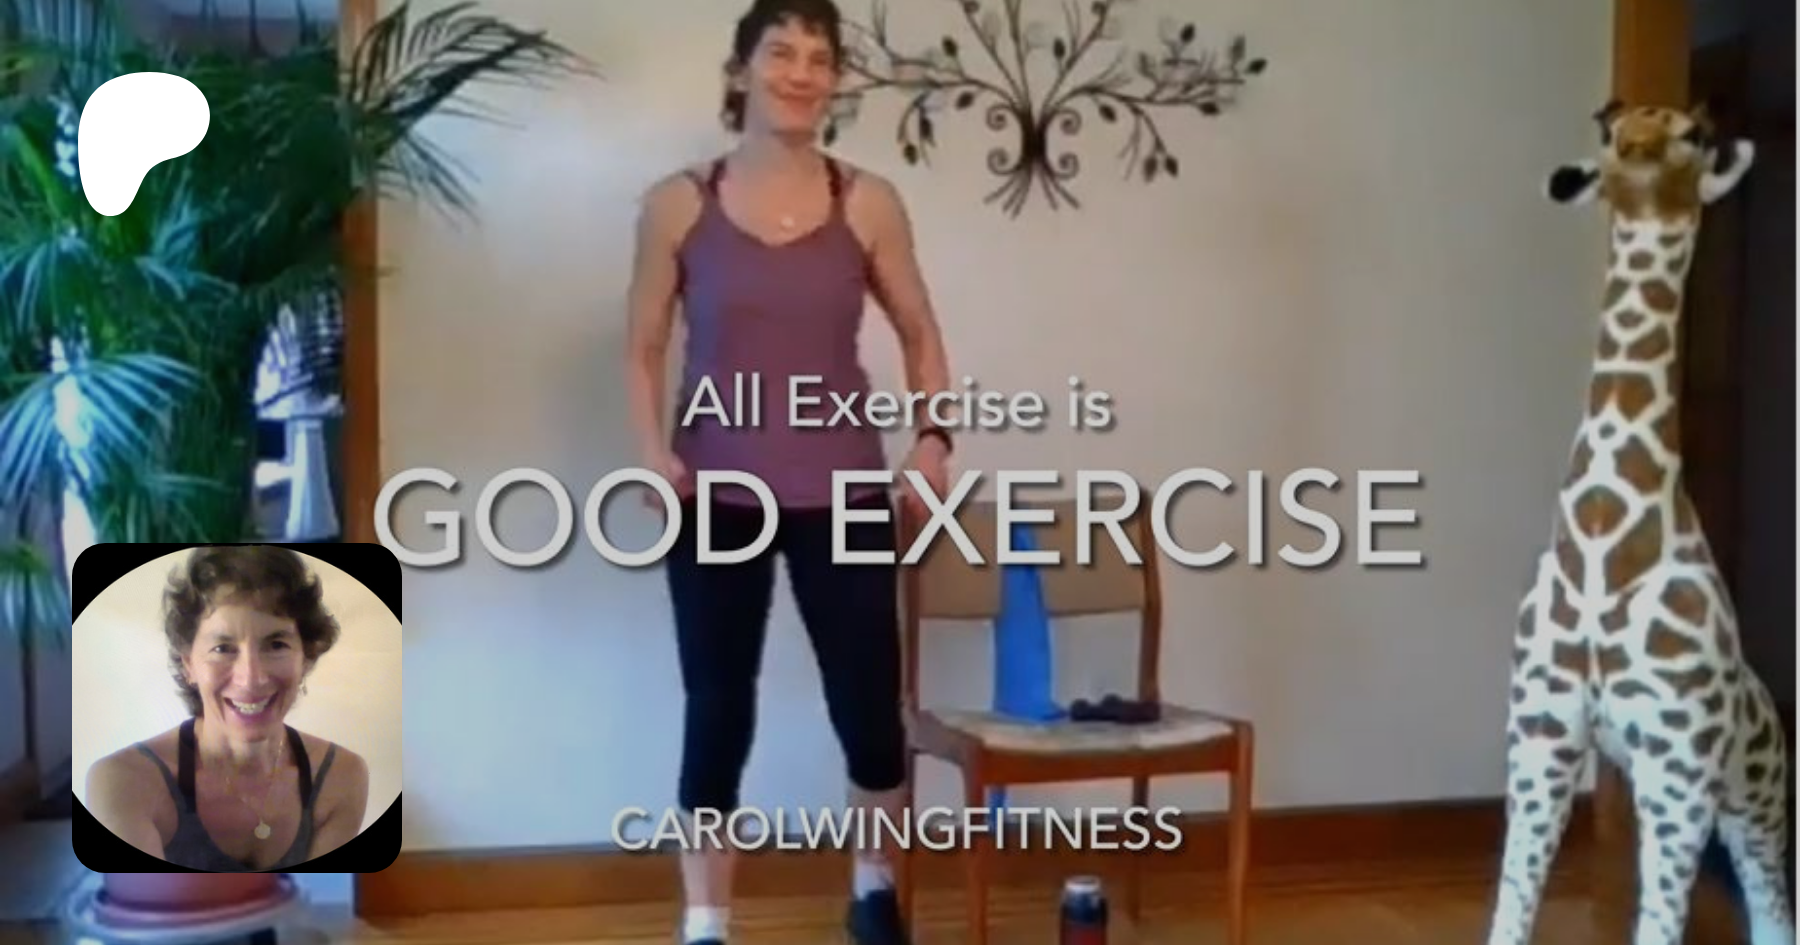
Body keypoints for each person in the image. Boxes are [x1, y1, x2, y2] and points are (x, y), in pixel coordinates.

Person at [624, 0, 955, 942]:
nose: (801, 72)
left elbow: (921, 331)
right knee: (718, 709)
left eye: (819, 58)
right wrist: (652, 452)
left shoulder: (869, 202)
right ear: (741, 72)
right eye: (780, 53)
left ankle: (874, 891)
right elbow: (642, 343)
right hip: (715, 492)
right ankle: (706, 923)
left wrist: (934, 438)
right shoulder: (678, 202)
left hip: (844, 491)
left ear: (835, 81)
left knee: (869, 711)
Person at [85, 545, 371, 871]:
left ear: (305, 659)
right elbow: (148, 903)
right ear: (189, 664)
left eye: (276, 644)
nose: (251, 678)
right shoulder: (125, 783)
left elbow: (318, 899)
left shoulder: (340, 776)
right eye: (223, 648)